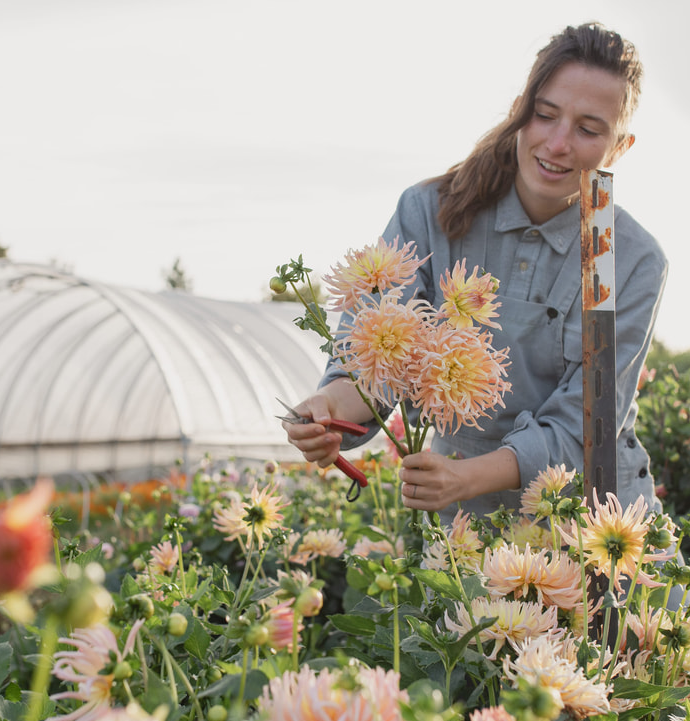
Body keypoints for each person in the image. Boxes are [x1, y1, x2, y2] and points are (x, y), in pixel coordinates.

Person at [283, 22, 667, 522]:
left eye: (588, 129)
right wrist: (328, 409)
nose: (557, 143)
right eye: (544, 115)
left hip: (595, 523)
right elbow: (377, 349)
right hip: (461, 521)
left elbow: (584, 428)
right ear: (519, 112)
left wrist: (465, 477)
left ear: (620, 147)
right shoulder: (429, 211)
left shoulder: (625, 256)